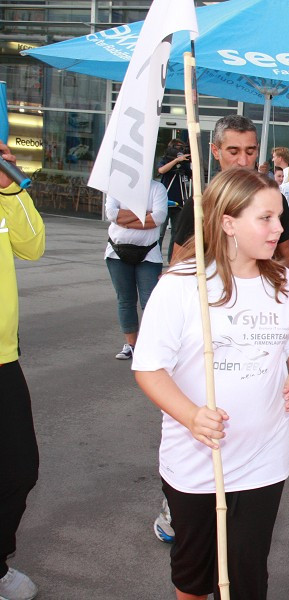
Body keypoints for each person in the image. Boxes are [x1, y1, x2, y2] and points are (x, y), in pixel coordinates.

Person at [133, 169, 289, 600]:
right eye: (266, 218)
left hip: (265, 458)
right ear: (229, 222)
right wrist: (192, 415)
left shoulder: (282, 281)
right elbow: (149, 368)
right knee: (195, 578)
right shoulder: (182, 285)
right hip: (198, 464)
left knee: (248, 577)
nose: (279, 229)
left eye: (279, 218)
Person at [0, 140, 44, 600]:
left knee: (19, 469)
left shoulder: (4, 191)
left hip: (3, 357)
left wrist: (10, 191)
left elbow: (33, 246)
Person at [171, 115, 289, 275]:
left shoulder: (273, 200)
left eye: (250, 151)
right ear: (216, 151)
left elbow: (286, 257)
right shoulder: (200, 205)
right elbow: (178, 264)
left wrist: (272, 283)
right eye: (233, 152)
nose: (243, 161)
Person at [104, 180, 168, 360]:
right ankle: (131, 344)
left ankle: (151, 345)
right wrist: (144, 215)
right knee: (125, 300)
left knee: (150, 302)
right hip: (117, 251)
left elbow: (159, 218)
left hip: (148, 253)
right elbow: (111, 214)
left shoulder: (157, 188)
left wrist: (124, 220)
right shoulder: (117, 187)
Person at [157, 138, 192, 261]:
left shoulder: (184, 164)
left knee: (176, 234)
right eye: (178, 148)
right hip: (164, 202)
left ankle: (172, 259)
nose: (180, 151)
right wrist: (176, 161)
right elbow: (161, 170)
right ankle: (156, 258)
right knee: (160, 233)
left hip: (179, 203)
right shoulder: (166, 160)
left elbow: (192, 175)